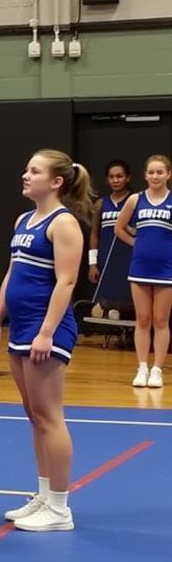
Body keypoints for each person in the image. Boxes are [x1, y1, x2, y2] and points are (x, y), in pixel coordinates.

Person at [0, 150, 92, 531]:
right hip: (21, 326)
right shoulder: (23, 219)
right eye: (27, 168)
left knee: (49, 416)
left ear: (57, 181)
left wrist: (46, 331)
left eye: (35, 171)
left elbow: (66, 281)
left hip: (47, 327)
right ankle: (44, 494)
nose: (25, 175)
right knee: (35, 416)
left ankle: (60, 508)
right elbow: (11, 274)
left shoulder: (63, 224)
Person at [115, 154, 172, 389]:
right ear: (145, 175)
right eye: (151, 172)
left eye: (160, 172)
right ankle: (142, 367)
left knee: (161, 320)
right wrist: (135, 243)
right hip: (140, 267)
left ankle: (157, 369)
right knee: (142, 319)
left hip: (166, 268)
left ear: (169, 174)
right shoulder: (136, 200)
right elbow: (119, 228)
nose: (155, 176)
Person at [88, 159, 130, 291]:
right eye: (111, 177)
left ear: (128, 178)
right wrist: (92, 263)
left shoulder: (135, 201)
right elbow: (94, 234)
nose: (115, 180)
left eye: (119, 176)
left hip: (129, 257)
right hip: (105, 259)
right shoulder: (100, 203)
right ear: (107, 180)